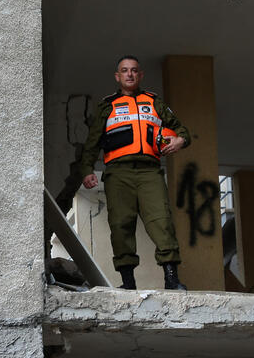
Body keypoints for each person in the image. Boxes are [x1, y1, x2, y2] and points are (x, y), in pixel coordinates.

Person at [78, 55, 190, 290]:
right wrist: (87, 170)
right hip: (118, 174)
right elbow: (92, 143)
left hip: (150, 173)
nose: (129, 74)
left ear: (140, 75)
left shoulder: (154, 102)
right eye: (124, 70)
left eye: (134, 70)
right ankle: (128, 283)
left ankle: (172, 279)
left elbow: (182, 130)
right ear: (117, 76)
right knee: (120, 225)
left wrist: (180, 140)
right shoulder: (106, 106)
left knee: (162, 222)